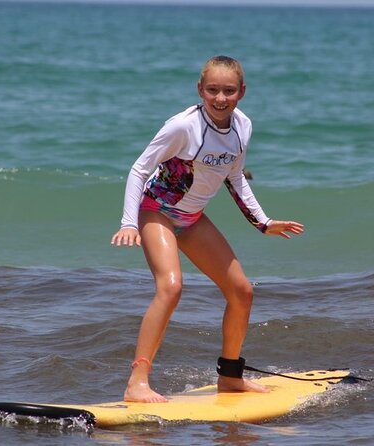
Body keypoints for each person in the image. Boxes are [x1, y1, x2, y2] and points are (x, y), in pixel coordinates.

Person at [110, 55, 304, 403]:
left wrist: (263, 223)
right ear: (200, 89)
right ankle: (137, 382)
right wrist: (128, 222)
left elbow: (235, 177)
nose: (220, 98)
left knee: (242, 291)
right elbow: (140, 170)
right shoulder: (182, 127)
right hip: (158, 211)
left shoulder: (243, 126)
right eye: (212, 90)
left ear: (242, 92)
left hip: (193, 217)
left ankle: (230, 377)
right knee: (171, 287)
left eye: (228, 91)